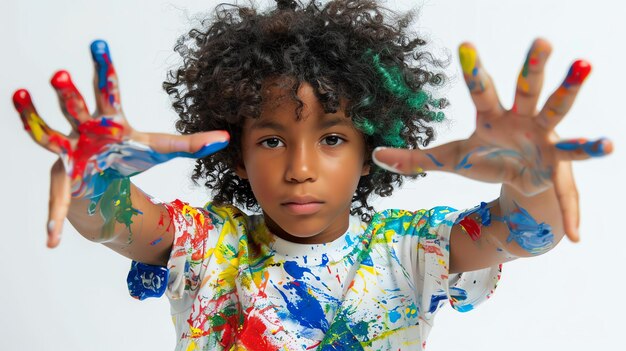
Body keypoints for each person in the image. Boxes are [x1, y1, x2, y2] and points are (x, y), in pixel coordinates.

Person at [12, 0, 612, 349]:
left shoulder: (411, 250)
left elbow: (523, 232)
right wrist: (94, 180)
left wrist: (531, 179)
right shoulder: (206, 246)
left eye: (331, 139)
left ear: (370, 149)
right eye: (271, 140)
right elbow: (112, 221)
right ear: (240, 157)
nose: (299, 169)